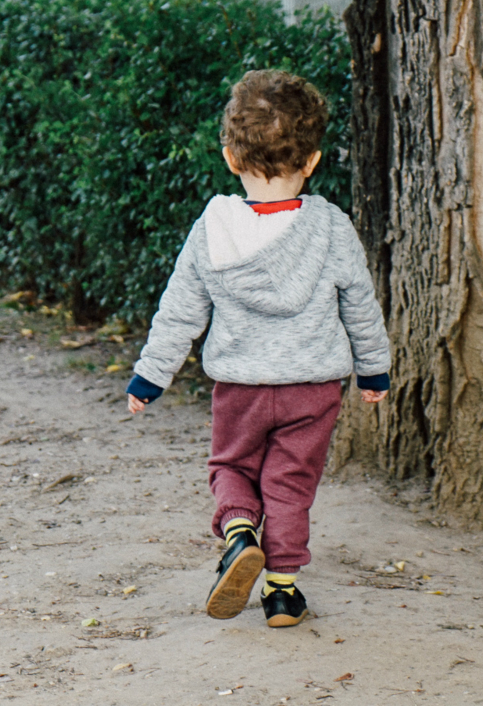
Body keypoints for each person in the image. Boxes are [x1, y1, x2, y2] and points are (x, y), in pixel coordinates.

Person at [125, 69, 390, 628]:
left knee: (231, 466)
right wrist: (374, 371)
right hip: (312, 388)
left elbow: (181, 311)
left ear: (230, 158)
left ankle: (240, 531)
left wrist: (151, 377)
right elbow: (360, 305)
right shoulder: (331, 226)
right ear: (313, 162)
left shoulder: (213, 228)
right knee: (291, 483)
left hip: (240, 386)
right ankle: (282, 593)